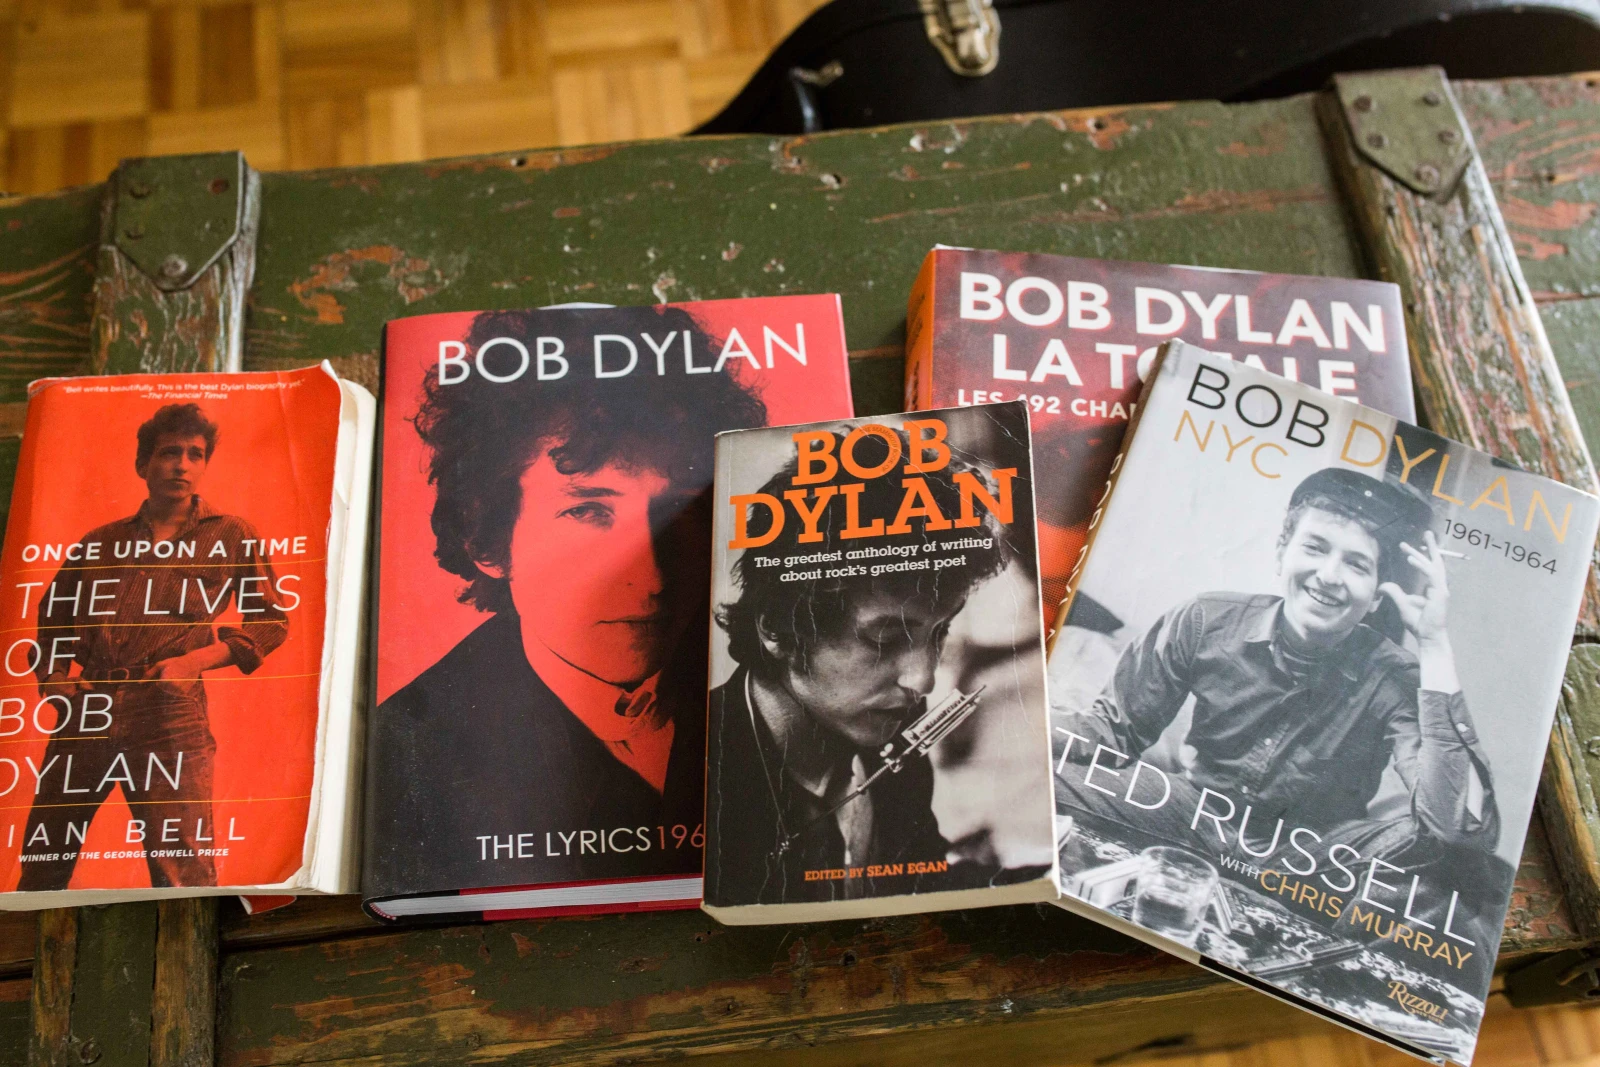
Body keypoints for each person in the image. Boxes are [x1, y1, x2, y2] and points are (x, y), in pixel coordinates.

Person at [367, 305, 767, 892]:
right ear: (487, 539)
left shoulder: (781, 676)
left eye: (678, 512)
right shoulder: (410, 757)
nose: (652, 579)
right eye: (588, 511)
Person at [1053, 467, 1500, 884]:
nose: (1328, 576)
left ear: (1378, 595)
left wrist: (1434, 642)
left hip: (1312, 855)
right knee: (1039, 774)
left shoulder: (1396, 675)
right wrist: (1015, 728)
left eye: (1357, 564)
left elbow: (1448, 828)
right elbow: (1110, 734)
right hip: (1189, 815)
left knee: (1466, 870)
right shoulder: (1206, 619)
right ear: (1282, 554)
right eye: (1315, 548)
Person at [706, 424, 1021, 904]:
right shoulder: (708, 768)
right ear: (779, 628)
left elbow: (916, 879)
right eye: (884, 639)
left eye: (939, 633)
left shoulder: (895, 730)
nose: (923, 680)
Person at [18, 403, 290, 891]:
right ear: (143, 464)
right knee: (44, 859)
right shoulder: (100, 541)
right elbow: (52, 616)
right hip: (88, 708)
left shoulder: (231, 534)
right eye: (169, 453)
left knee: (182, 869)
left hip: (168, 710)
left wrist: (195, 661)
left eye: (195, 454)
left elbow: (270, 620)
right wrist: (55, 679)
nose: (182, 465)